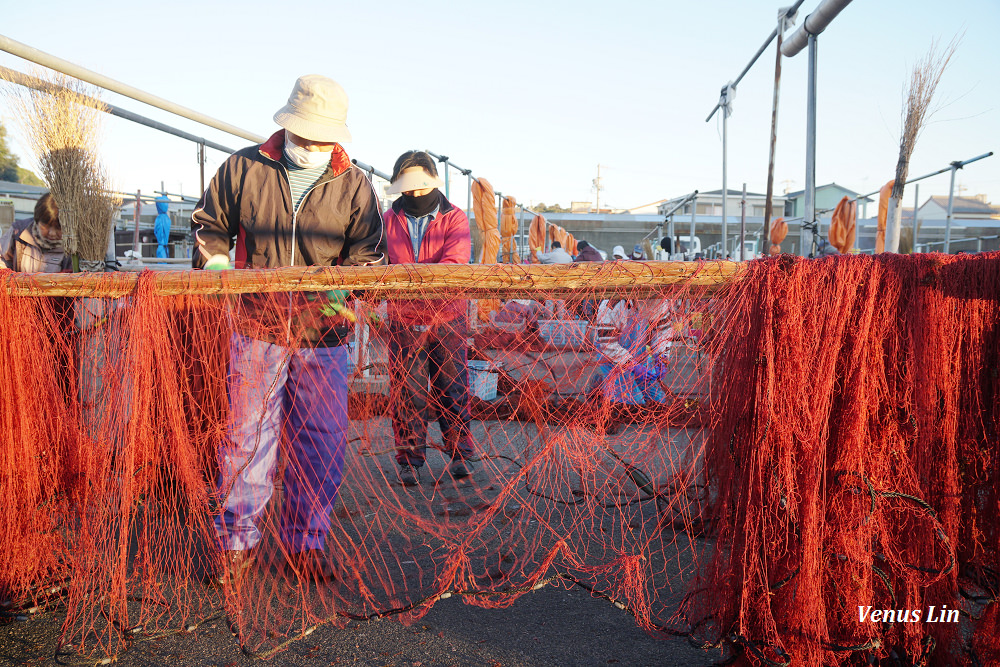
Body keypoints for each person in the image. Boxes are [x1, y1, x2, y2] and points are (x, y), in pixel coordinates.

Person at [191, 74, 386, 586]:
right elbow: (208, 225)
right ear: (287, 125)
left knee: (320, 437)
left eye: (322, 138)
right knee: (247, 436)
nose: (312, 146)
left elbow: (369, 255)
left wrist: (350, 290)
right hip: (257, 324)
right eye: (304, 135)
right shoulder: (243, 167)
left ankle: (306, 541)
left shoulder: (356, 185)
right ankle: (237, 541)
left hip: (325, 335)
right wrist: (214, 264)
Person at [382, 151, 476, 486]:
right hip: (404, 318)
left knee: (452, 386)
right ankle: (409, 458)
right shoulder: (388, 219)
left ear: (433, 180)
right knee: (408, 391)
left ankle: (461, 454)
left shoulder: (455, 218)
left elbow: (455, 261)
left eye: (421, 185)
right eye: (408, 186)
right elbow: (378, 259)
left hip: (447, 316)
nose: (416, 193)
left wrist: (406, 278)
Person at [0, 193, 71, 273]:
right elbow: (2, 258)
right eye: (46, 226)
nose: (52, 233)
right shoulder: (18, 232)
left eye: (59, 228)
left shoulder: (75, 249)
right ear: (37, 220)